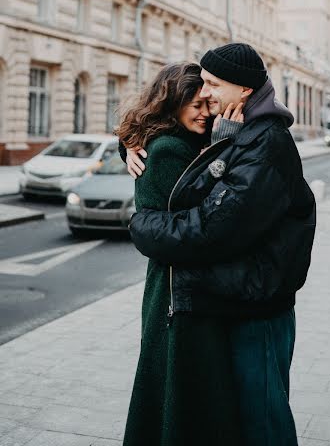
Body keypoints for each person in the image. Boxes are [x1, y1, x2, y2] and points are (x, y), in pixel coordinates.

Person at [126, 43, 316, 446]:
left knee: (264, 418)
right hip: (239, 299)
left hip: (259, 305)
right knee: (246, 418)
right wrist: (127, 144)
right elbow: (165, 146)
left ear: (243, 89)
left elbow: (213, 228)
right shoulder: (244, 130)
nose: (207, 96)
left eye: (212, 84)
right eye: (200, 89)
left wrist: (143, 226)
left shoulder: (263, 142)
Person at [116, 62, 244, 446]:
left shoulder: (178, 141)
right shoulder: (170, 149)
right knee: (182, 388)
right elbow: (199, 214)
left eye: (210, 104)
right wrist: (223, 147)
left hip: (172, 286)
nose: (207, 113)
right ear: (172, 102)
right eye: (197, 105)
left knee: (172, 384)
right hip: (177, 288)